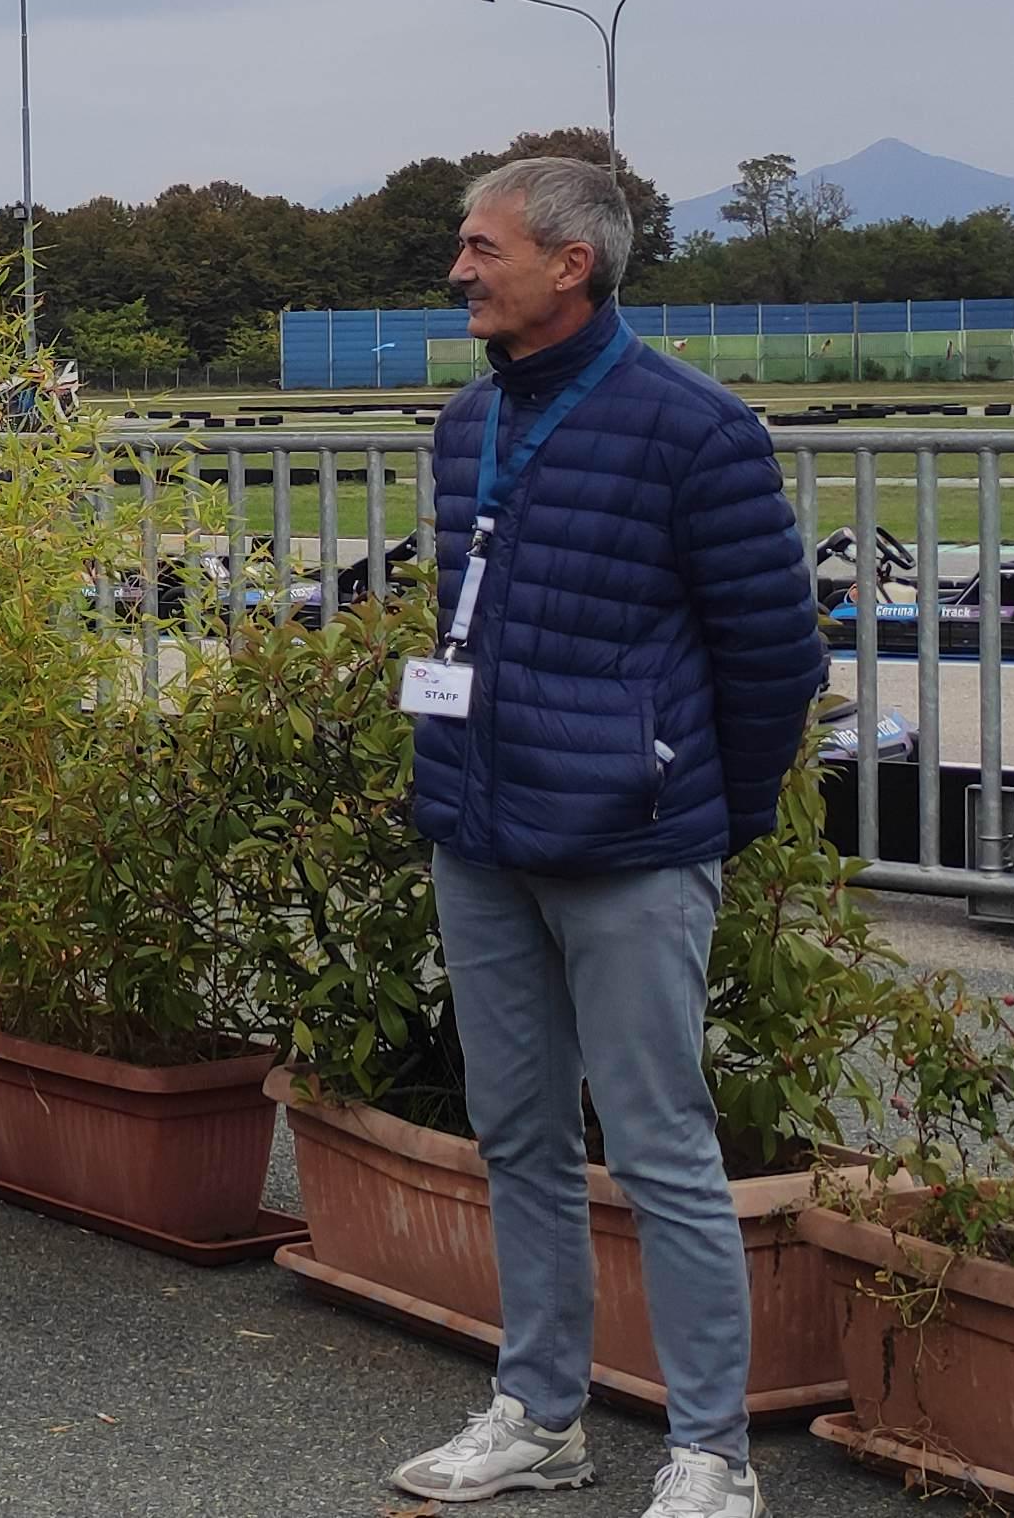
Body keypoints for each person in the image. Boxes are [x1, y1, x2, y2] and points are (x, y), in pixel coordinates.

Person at [379, 157, 814, 1518]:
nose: (458, 269)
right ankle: (540, 1413)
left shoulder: (696, 429)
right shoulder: (469, 421)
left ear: (571, 263)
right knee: (516, 1131)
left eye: (482, 247)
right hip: (480, 830)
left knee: (660, 1141)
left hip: (632, 845)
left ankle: (712, 1453)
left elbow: (774, 658)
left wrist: (707, 812)